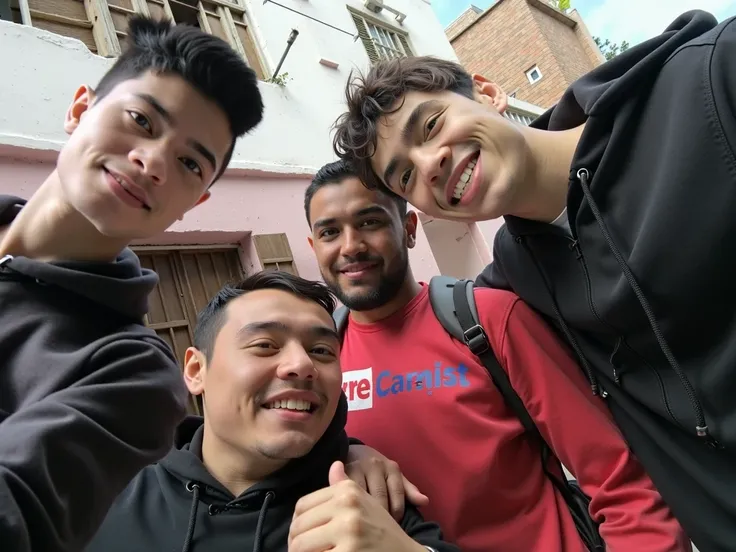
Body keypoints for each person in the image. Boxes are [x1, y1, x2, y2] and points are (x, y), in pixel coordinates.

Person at [330, 10, 736, 551]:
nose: (429, 165)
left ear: (488, 92)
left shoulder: (712, 82)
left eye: (430, 126)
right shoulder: (516, 281)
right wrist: (343, 445)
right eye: (405, 176)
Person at [304, 159, 691, 552]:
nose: (350, 246)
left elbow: (619, 481)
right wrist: (349, 448)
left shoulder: (489, 319)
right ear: (313, 247)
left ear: (409, 229)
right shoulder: (315, 366)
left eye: (370, 222)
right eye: (330, 232)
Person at [0, 16, 264, 552]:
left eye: (190, 163)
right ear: (80, 109)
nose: (152, 162)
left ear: (195, 202)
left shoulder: (130, 375)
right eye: (141, 120)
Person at [84, 270, 458, 552]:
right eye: (265, 345)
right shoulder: (102, 498)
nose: (302, 365)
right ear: (197, 370)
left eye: (322, 351)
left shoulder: (368, 502)